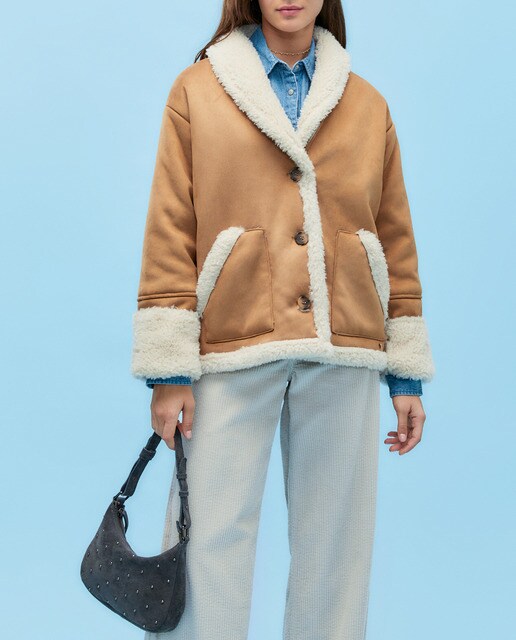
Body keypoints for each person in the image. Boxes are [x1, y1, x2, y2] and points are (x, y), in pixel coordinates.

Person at [131, 1, 435, 639]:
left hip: (344, 342)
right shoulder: (197, 91)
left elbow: (395, 237)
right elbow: (169, 228)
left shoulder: (368, 104)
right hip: (231, 339)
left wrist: (405, 375)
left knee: (337, 548)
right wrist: (168, 370)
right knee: (208, 538)